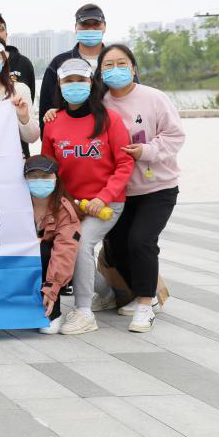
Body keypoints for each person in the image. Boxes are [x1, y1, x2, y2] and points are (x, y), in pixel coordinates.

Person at [40, 57, 134, 335]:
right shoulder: (53, 122)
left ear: (91, 83)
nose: (75, 85)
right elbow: (48, 169)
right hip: (70, 205)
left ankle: (83, 312)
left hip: (106, 204)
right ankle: (105, 293)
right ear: (60, 85)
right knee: (58, 245)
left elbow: (124, 164)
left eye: (80, 80)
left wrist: (103, 198)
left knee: (81, 245)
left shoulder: (110, 120)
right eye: (68, 80)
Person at [98, 43, 185, 333]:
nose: (116, 69)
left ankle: (146, 305)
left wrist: (146, 151)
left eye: (122, 63)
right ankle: (140, 293)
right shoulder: (99, 103)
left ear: (134, 68)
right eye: (108, 65)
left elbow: (175, 136)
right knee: (117, 244)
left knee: (141, 241)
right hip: (119, 191)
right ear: (100, 72)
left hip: (157, 188)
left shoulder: (153, 98)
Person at [23, 155, 80, 335]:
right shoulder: (15, 203)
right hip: (19, 262)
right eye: (33, 176)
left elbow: (65, 250)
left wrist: (52, 290)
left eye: (45, 176)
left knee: (44, 249)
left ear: (56, 178)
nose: (39, 181)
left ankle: (53, 313)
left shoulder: (65, 210)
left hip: (53, 267)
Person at [39, 3, 114, 126]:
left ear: (104, 27)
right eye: (84, 25)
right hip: (70, 132)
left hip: (111, 129)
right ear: (76, 28)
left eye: (96, 24)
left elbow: (132, 94)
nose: (90, 29)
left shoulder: (116, 60)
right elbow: (46, 107)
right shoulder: (59, 63)